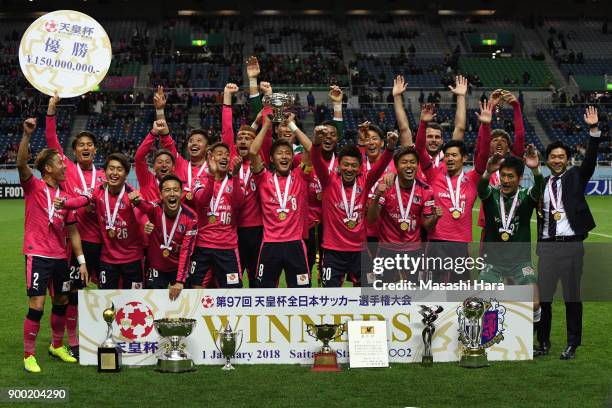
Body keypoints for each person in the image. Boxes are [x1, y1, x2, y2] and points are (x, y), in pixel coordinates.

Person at [17, 118, 88, 373]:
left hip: (60, 257)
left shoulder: (66, 198)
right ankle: (28, 355)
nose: (64, 165)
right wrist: (27, 136)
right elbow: (21, 164)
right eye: (60, 162)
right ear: (48, 168)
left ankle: (57, 345)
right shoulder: (34, 187)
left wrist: (81, 262)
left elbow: (73, 231)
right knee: (37, 304)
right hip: (37, 254)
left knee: (61, 301)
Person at [535, 106, 602, 360]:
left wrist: (593, 130)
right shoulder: (542, 184)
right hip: (549, 247)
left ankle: (572, 343)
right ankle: (543, 342)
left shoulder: (576, 176)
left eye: (561, 156)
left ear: (567, 158)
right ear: (547, 159)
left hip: (572, 245)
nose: (557, 160)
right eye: (553, 156)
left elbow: (591, 160)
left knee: (572, 297)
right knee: (545, 300)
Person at [45, 92, 104, 359]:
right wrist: (52, 112)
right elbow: (51, 141)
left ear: (95, 149)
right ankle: (73, 340)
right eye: (81, 144)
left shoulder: (104, 174)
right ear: (74, 150)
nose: (86, 147)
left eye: (90, 144)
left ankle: (103, 336)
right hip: (72, 241)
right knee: (72, 293)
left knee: (100, 291)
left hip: (99, 242)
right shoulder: (67, 169)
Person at [415, 101, 492, 283]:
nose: (449, 159)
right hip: (436, 242)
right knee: (433, 292)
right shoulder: (434, 174)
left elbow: (482, 155)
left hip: (460, 243)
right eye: (447, 155)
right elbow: (419, 149)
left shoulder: (472, 178)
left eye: (454, 155)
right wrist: (423, 123)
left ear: (464, 158)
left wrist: (486, 126)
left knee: (459, 292)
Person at [313, 126, 398, 287]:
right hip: (333, 251)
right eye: (346, 165)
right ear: (338, 165)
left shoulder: (365, 181)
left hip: (360, 251)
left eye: (354, 166)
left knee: (368, 292)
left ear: (360, 168)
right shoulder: (328, 181)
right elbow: (316, 159)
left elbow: (380, 166)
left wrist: (391, 147)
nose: (349, 169)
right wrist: (316, 141)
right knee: (331, 297)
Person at [56, 153, 144, 290]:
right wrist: (65, 203)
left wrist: (145, 222)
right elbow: (81, 200)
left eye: (119, 169)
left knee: (133, 301)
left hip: (132, 259)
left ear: (126, 174)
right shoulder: (99, 191)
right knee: (107, 302)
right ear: (105, 172)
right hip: (108, 259)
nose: (114, 173)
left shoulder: (132, 194)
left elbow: (141, 215)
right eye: (111, 168)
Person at [478, 148, 543, 318]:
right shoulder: (491, 195)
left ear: (520, 178)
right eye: (503, 175)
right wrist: (488, 171)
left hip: (520, 262)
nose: (505, 180)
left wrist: (535, 169)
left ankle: (527, 332)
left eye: (511, 176)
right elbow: (481, 188)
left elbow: (539, 189)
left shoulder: (526, 197)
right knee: (482, 301)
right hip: (493, 262)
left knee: (534, 303)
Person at [249, 116, 313, 288]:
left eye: (287, 153)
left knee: (302, 293)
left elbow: (310, 148)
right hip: (270, 244)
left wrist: (292, 124)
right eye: (279, 153)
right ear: (271, 159)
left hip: (295, 244)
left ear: (293, 158)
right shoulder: (263, 178)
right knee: (264, 291)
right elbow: (253, 152)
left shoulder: (300, 176)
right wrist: (267, 126)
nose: (284, 156)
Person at [222, 81, 272, 287]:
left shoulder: (260, 159)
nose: (242, 140)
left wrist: (267, 97)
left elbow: (267, 132)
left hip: (259, 230)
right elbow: (227, 130)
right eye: (239, 138)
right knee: (233, 283)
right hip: (234, 230)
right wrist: (227, 97)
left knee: (257, 282)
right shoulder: (232, 159)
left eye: (248, 138)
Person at [367, 146, 440, 283]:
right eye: (404, 162)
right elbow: (371, 219)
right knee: (383, 293)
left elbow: (428, 226)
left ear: (417, 165)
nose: (409, 166)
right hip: (387, 250)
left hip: (413, 250)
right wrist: (377, 196)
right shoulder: (386, 187)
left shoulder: (426, 190)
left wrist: (436, 217)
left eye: (412, 162)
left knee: (416, 294)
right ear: (396, 166)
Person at [129, 175, 201, 300]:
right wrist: (135, 200)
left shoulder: (191, 217)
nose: (172, 194)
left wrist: (179, 281)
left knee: (184, 305)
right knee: (152, 304)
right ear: (161, 195)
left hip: (179, 267)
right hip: (157, 267)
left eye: (176, 190)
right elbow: (143, 205)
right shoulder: (155, 208)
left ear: (181, 193)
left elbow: (186, 250)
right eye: (167, 190)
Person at [189, 144, 244, 288]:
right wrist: (212, 177)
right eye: (219, 154)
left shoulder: (236, 181)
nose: (224, 156)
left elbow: (238, 204)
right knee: (195, 290)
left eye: (227, 154)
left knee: (233, 292)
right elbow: (202, 201)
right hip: (203, 245)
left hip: (227, 247)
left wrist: (237, 176)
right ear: (210, 158)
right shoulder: (199, 180)